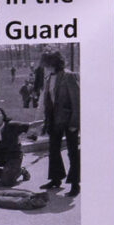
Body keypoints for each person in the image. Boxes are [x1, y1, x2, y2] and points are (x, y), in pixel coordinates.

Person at [39, 50, 80, 197]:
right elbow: (48, 101)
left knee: (72, 152)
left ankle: (75, 183)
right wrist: (46, 121)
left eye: (48, 63)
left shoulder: (69, 76)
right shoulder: (48, 77)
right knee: (53, 150)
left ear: (55, 62)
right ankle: (56, 179)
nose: (46, 66)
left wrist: (75, 122)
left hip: (69, 120)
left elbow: (77, 101)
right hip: (54, 120)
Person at [0, 107, 36, 186]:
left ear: (3, 116)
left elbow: (30, 125)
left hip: (14, 157)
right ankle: (0, 174)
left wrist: (45, 121)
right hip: (0, 156)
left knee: (7, 182)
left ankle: (21, 171)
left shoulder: (12, 126)